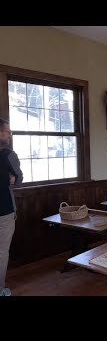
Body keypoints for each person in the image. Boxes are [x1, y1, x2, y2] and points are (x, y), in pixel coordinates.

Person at [0, 118, 23, 297]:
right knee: (1, 252)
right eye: (7, 131)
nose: (10, 134)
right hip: (4, 209)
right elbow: (19, 177)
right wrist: (13, 178)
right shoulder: (8, 154)